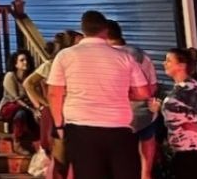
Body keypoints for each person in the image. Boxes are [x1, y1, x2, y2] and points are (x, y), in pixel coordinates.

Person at [47, 10, 151, 179]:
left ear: (83, 30)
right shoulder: (124, 57)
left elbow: (54, 93)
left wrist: (59, 126)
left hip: (80, 128)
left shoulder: (65, 56)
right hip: (118, 127)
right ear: (105, 30)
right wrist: (121, 92)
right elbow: (143, 92)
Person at [149, 49, 197, 179]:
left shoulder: (187, 88)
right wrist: (158, 110)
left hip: (193, 150)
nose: (164, 63)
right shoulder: (182, 87)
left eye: (169, 61)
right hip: (186, 150)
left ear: (181, 66)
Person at [24, 30, 80, 179]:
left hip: (68, 110)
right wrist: (44, 104)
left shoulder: (75, 64)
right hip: (55, 111)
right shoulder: (51, 65)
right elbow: (28, 83)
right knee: (56, 149)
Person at [107, 20, 159, 179]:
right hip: (145, 114)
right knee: (146, 152)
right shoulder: (141, 54)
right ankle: (146, 174)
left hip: (118, 119)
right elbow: (153, 86)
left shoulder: (106, 56)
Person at [0, 50, 38, 156]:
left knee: (24, 114)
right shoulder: (10, 76)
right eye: (22, 60)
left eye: (27, 60)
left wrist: (38, 108)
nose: (26, 62)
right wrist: (32, 110)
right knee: (20, 111)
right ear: (15, 64)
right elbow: (15, 99)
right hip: (9, 106)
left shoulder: (29, 78)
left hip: (25, 108)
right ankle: (17, 143)